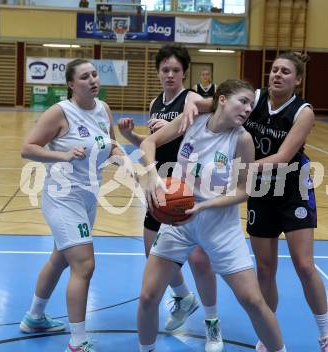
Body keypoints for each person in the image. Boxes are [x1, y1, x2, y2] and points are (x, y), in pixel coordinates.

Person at [182, 52, 328, 352]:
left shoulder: (302, 111)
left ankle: (326, 334)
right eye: (274, 70)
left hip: (292, 189)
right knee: (265, 269)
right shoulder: (253, 98)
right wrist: (192, 99)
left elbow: (282, 158)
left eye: (285, 71)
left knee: (305, 266)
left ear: (298, 80)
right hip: (260, 193)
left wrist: (238, 168)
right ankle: (269, 333)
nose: (277, 75)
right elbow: (205, 102)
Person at [138, 79, 286, 352]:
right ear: (221, 99)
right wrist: (149, 172)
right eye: (242, 101)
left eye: (251, 105)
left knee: (252, 301)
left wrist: (204, 206)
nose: (247, 109)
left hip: (220, 226)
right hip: (179, 222)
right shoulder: (192, 120)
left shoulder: (242, 139)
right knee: (148, 297)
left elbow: (244, 191)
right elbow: (149, 142)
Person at [118, 44, 222, 350]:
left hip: (188, 186)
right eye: (165, 69)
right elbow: (155, 143)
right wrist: (130, 138)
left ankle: (212, 322)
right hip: (160, 186)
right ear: (158, 72)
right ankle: (182, 296)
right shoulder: (155, 102)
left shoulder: (191, 98)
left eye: (176, 70)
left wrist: (175, 125)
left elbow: (218, 106)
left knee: (199, 259)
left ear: (184, 72)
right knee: (152, 252)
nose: (170, 74)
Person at [19, 58, 126, 352]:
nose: (93, 80)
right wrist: (62, 156)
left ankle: (34, 317)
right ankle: (77, 343)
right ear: (70, 84)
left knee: (60, 258)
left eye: (94, 75)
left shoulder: (104, 109)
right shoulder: (60, 112)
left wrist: (126, 161)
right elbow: (27, 149)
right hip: (62, 198)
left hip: (88, 198)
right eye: (84, 77)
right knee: (84, 265)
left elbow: (111, 145)